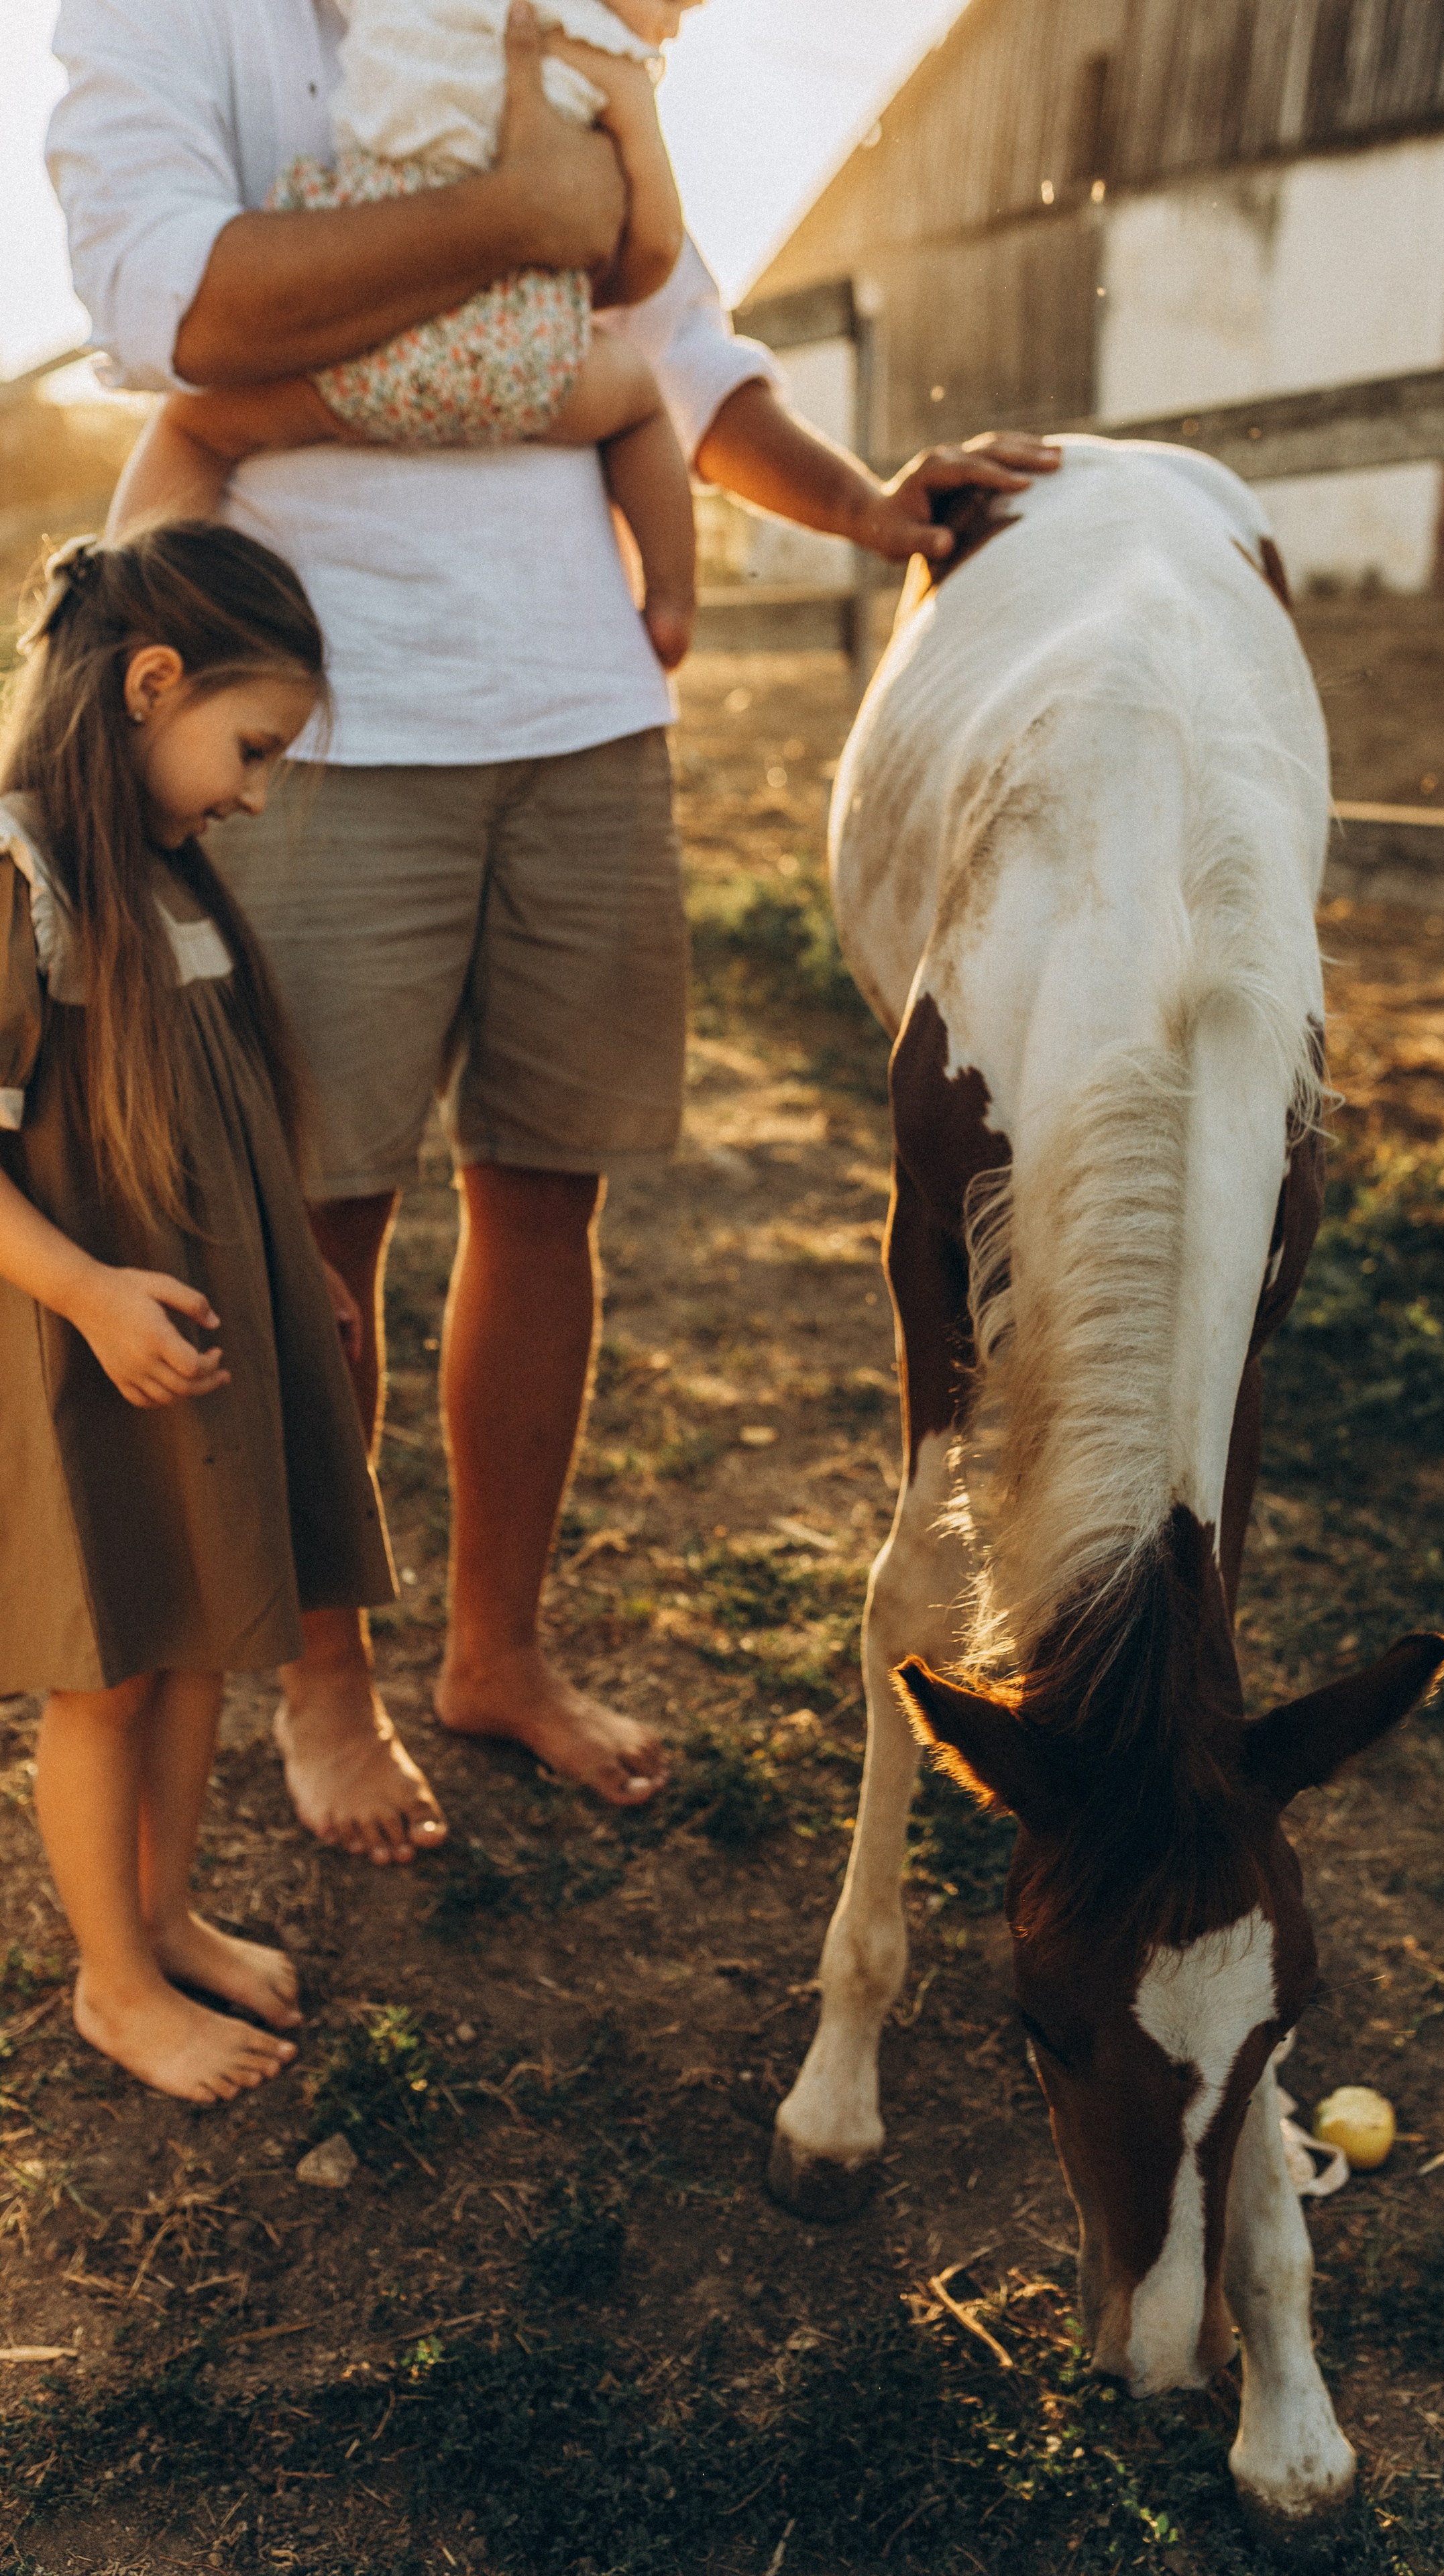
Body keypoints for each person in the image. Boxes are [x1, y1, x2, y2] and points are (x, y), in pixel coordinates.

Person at [48, 0, 1059, 1870]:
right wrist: (523, 208)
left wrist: (863, 506)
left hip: (584, 715)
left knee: (547, 1193)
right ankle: (326, 1673)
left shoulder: (559, 20)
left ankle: (493, 1650)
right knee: (314, 1228)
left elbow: (667, 344)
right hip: (316, 722)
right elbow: (173, 309)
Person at [0, 523, 396, 2102]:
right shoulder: (19, 878)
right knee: (104, 1672)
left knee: (195, 1646)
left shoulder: (171, 881)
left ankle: (165, 1913)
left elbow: (223, 1114)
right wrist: (91, 1292)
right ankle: (111, 1980)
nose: (253, 786)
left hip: (198, 1353)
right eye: (250, 745)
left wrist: (295, 1270)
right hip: (87, 1357)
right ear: (150, 682)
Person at [110, 0, 699, 669]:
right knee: (642, 409)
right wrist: (563, 282)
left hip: (359, 351)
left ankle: (123, 631)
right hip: (530, 359)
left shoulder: (408, 13)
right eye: (676, 6)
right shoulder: (609, 63)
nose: (678, 23)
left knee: (191, 428)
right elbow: (655, 247)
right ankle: (671, 605)